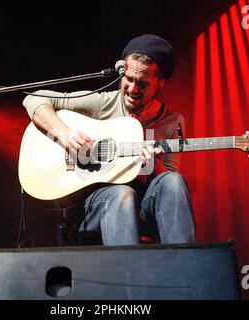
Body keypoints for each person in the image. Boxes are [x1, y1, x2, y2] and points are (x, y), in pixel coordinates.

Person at [23, 34, 195, 245]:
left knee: (173, 181)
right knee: (122, 194)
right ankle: (124, 275)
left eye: (142, 83)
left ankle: (184, 268)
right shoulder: (103, 103)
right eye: (129, 79)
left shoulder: (172, 121)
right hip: (95, 206)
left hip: (142, 206)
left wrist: (154, 166)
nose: (132, 89)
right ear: (122, 71)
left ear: (160, 84)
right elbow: (34, 98)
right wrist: (65, 134)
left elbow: (168, 185)